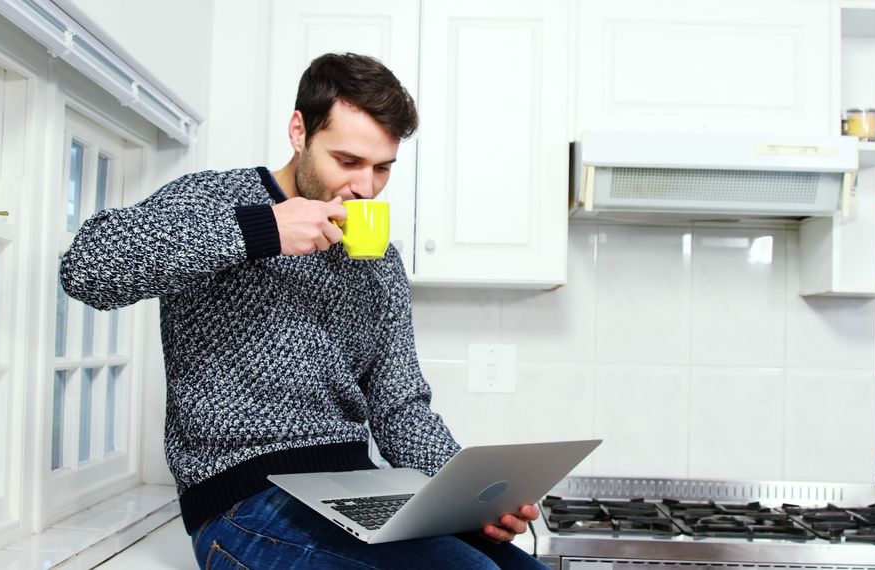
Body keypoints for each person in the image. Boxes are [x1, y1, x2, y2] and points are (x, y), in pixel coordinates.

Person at [61, 53, 544, 569]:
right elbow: (87, 269)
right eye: (348, 161)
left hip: (361, 489)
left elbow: (400, 408)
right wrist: (262, 230)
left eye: (383, 168)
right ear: (299, 132)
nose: (366, 187)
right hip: (242, 499)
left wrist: (469, 500)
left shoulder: (379, 260)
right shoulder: (217, 199)